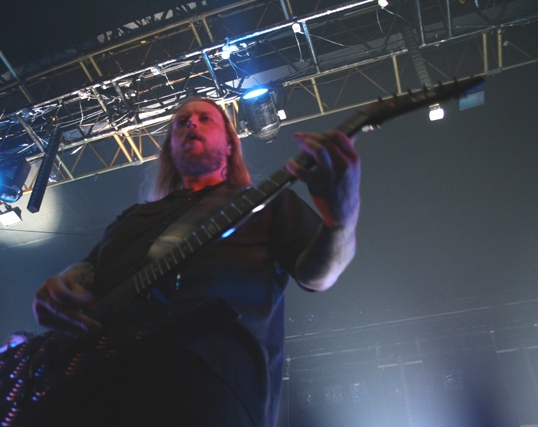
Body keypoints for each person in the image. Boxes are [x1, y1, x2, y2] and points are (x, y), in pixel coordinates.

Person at [32, 97, 360, 426]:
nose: (191, 122)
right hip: (95, 386)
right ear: (169, 149)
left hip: (209, 384)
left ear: (230, 144)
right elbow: (87, 271)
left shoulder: (267, 204)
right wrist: (62, 285)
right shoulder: (131, 218)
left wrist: (341, 219)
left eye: (205, 118)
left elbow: (319, 275)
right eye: (181, 121)